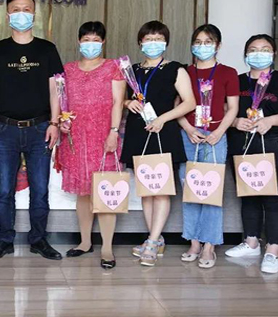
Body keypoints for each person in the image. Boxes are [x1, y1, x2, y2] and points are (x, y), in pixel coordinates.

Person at [0, 0, 64, 260]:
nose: (21, 14)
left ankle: (38, 239)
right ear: (7, 16)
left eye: (26, 9)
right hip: (5, 129)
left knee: (40, 190)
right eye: (16, 10)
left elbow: (55, 89)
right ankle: (4, 240)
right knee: (5, 191)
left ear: (34, 14)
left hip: (40, 128)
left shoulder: (47, 49)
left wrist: (54, 122)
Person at [119, 20, 195, 267]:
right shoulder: (131, 71)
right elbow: (120, 99)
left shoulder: (176, 69)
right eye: (148, 39)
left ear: (166, 42)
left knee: (161, 189)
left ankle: (152, 241)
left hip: (164, 132)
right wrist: (127, 103)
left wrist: (163, 119)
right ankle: (155, 238)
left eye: (158, 39)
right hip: (139, 133)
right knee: (147, 189)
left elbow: (189, 102)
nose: (153, 43)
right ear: (140, 42)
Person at [226, 34, 278, 274]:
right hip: (241, 143)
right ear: (245, 54)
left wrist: (270, 120)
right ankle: (251, 242)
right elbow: (224, 109)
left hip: (271, 142)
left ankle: (273, 250)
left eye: (264, 49)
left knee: (273, 197)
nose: (258, 53)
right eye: (253, 49)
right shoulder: (237, 81)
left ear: (274, 53)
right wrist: (235, 121)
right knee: (248, 194)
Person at [58, 21, 126, 269]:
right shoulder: (67, 70)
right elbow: (62, 102)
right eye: (86, 39)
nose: (91, 44)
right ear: (79, 41)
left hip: (104, 136)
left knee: (106, 191)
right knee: (83, 192)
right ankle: (85, 242)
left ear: (103, 42)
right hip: (76, 138)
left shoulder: (113, 67)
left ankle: (107, 247)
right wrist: (62, 122)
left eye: (96, 40)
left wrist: (113, 132)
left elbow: (118, 102)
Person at [177, 24, 239, 268]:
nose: (202, 46)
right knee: (191, 189)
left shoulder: (228, 73)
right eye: (198, 42)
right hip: (189, 136)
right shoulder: (184, 72)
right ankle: (193, 241)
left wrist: (219, 132)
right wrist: (188, 128)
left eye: (208, 42)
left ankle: (209, 245)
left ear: (218, 46)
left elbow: (232, 108)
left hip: (216, 136)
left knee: (211, 191)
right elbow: (177, 106)